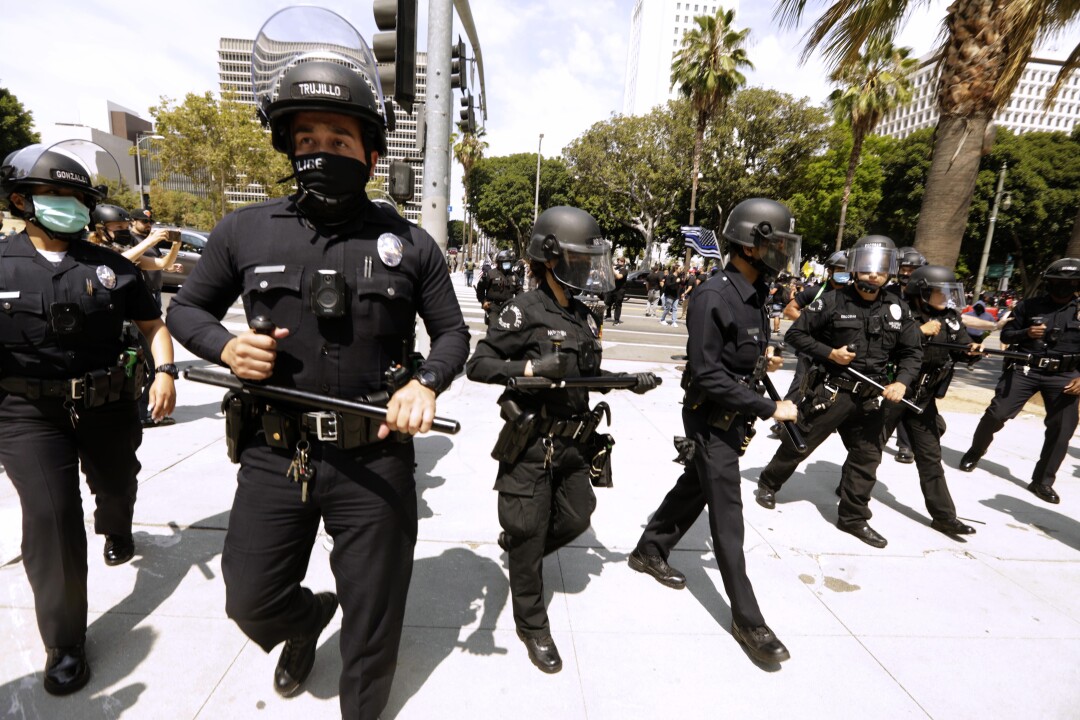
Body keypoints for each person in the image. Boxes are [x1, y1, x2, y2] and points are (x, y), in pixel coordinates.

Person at [164, 12, 470, 718]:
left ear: (370, 154)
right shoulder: (243, 231)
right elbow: (187, 310)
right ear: (287, 145)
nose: (321, 151)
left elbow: (452, 334)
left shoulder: (409, 243)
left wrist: (426, 382)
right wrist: (223, 346)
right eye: (307, 139)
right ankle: (303, 621)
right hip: (277, 453)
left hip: (376, 458)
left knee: (374, 620)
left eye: (338, 140)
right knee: (250, 598)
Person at [0, 140, 177, 695]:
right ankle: (65, 642)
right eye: (54, 193)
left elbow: (152, 325)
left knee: (117, 484)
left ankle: (116, 525)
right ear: (21, 200)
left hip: (107, 403)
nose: (69, 205)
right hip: (28, 413)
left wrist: (166, 372)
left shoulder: (111, 267)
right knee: (51, 517)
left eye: (76, 196)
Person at [466, 205, 657, 673]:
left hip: (573, 443)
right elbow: (478, 365)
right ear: (550, 258)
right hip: (532, 445)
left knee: (577, 516)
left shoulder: (583, 315)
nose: (588, 268)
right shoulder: (523, 310)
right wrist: (530, 368)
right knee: (528, 532)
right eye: (579, 259)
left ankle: (522, 556)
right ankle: (532, 624)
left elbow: (585, 377)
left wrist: (627, 381)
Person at [629, 198, 800, 665]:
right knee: (728, 514)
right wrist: (770, 407)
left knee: (697, 483)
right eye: (775, 245)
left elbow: (736, 356)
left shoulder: (755, 291)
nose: (782, 254)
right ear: (750, 245)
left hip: (734, 414)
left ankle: (649, 549)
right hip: (710, 417)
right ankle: (748, 620)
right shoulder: (713, 296)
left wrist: (763, 361)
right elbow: (706, 374)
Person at [755, 235, 923, 549]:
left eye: (881, 269)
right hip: (833, 392)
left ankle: (853, 518)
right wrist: (830, 353)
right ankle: (768, 482)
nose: (874, 275)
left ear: (890, 271)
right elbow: (796, 335)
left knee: (867, 458)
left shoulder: (897, 308)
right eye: (868, 268)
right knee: (800, 445)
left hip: (872, 397)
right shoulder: (832, 301)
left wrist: (901, 381)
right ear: (855, 267)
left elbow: (912, 352)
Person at [958, 258, 1080, 504]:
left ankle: (1042, 481)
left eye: (1070, 283)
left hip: (1065, 375)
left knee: (1062, 428)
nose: (1063, 286)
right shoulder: (1029, 306)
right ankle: (976, 450)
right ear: (1048, 282)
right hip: (1026, 369)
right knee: (997, 413)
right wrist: (1026, 333)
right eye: (1057, 281)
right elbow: (1006, 335)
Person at [883, 265, 979, 536]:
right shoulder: (899, 312)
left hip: (923, 397)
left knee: (930, 456)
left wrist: (971, 351)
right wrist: (918, 331)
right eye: (941, 292)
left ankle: (944, 517)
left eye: (950, 292)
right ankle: (850, 492)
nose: (947, 297)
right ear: (922, 292)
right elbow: (884, 345)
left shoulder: (950, 318)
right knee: (869, 449)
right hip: (894, 390)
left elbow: (960, 346)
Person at [92, 204, 182, 427]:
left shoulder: (123, 250)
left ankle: (142, 412)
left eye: (125, 227)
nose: (124, 231)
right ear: (101, 229)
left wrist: (175, 246)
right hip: (108, 325)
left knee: (142, 368)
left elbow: (162, 264)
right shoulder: (94, 251)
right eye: (118, 227)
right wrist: (149, 241)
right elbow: (118, 263)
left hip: (134, 320)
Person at [769, 250, 850, 437]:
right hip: (811, 348)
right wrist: (811, 324)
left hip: (837, 351)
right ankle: (782, 422)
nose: (844, 273)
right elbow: (790, 310)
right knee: (801, 383)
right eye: (840, 269)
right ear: (830, 271)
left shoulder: (852, 295)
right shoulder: (816, 291)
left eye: (847, 270)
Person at [475, 248, 523, 326]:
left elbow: (520, 291)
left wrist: (519, 304)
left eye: (508, 262)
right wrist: (483, 301)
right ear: (499, 263)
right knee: (494, 327)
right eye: (504, 262)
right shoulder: (490, 274)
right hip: (493, 307)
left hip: (509, 307)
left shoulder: (514, 276)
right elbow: (480, 288)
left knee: (508, 329)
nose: (506, 264)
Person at [605, 257, 629, 324]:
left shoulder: (624, 270)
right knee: (607, 302)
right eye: (618, 261)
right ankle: (608, 315)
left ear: (623, 263)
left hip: (620, 290)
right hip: (612, 288)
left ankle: (616, 320)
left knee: (618, 304)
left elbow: (618, 277)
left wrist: (612, 269)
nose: (618, 262)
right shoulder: (616, 268)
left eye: (620, 261)